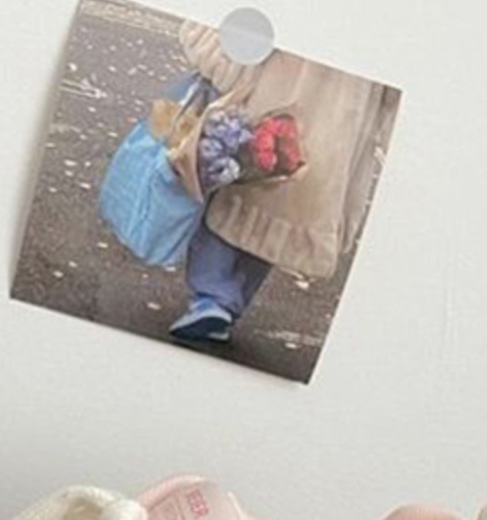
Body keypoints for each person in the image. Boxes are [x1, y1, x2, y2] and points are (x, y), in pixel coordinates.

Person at [165, 20, 398, 346]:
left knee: (235, 184)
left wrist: (220, 53)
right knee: (284, 208)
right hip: (341, 119)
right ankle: (223, 304)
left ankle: (212, 297)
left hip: (276, 86)